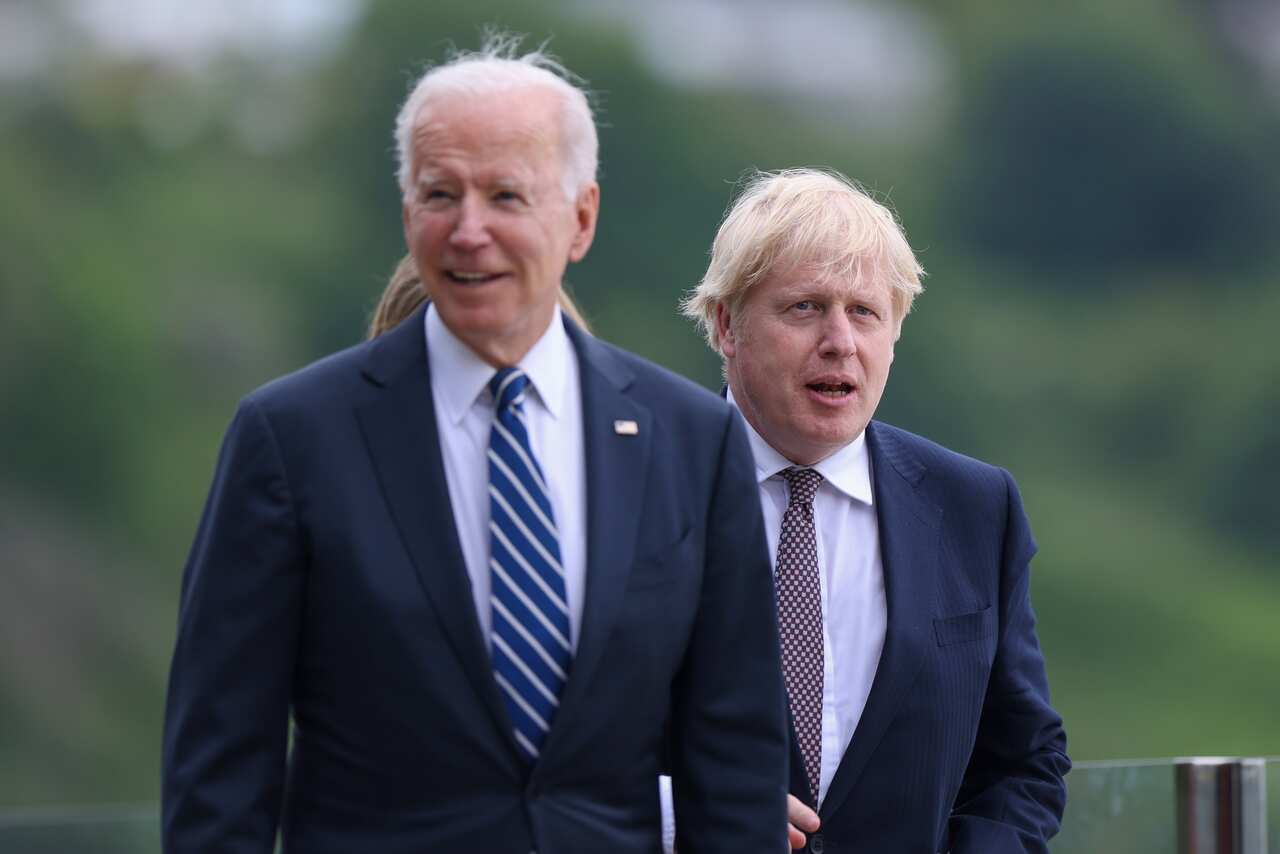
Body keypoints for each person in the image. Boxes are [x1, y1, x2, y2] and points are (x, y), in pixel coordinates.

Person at [161, 36, 789, 853]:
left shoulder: (691, 442)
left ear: (581, 218)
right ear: (405, 210)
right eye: (440, 194)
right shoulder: (292, 438)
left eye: (505, 196)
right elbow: (220, 771)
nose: (468, 231)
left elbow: (734, 763)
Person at [674, 168, 1070, 853]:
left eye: (864, 312)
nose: (840, 341)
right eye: (804, 308)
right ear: (726, 324)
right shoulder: (645, 487)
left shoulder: (975, 506)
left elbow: (1023, 760)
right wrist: (684, 815)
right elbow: (558, 744)